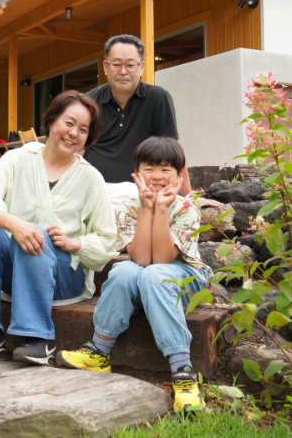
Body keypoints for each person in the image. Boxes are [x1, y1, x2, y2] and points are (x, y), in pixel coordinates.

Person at [0, 90, 118, 366]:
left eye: (83, 130)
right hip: (15, 271)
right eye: (69, 123)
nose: (73, 133)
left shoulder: (91, 178)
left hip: (63, 277)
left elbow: (107, 242)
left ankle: (38, 339)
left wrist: (74, 243)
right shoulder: (16, 160)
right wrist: (14, 224)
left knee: (35, 233)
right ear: (52, 120)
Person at [57, 136, 210, 411]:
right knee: (124, 269)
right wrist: (146, 209)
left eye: (166, 170)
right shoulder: (128, 207)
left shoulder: (188, 209)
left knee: (154, 275)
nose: (157, 177)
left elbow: (163, 260)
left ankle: (183, 372)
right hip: (147, 275)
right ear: (136, 175)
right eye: (149, 169)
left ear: (179, 175)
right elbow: (140, 258)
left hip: (185, 278)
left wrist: (161, 208)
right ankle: (99, 351)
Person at [84, 33, 192, 199]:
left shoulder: (158, 98)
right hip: (95, 191)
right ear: (105, 66)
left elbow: (173, 150)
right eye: (116, 64)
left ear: (141, 67)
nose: (123, 71)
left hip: (143, 193)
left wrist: (189, 198)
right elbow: (75, 150)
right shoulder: (89, 101)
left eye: (130, 65)